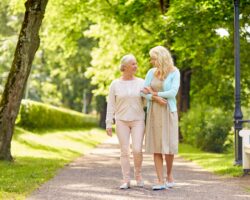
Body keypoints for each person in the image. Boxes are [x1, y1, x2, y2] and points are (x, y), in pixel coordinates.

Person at [141, 46, 180, 190]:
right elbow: (143, 92)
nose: (151, 61)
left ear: (161, 58)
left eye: (153, 58)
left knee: (169, 146)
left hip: (169, 111)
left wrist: (154, 93)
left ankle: (169, 175)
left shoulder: (175, 72)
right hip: (154, 112)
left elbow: (172, 93)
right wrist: (155, 98)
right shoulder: (151, 73)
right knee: (156, 146)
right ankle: (160, 180)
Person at [106, 54, 145, 189]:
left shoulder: (141, 82)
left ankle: (138, 175)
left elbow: (146, 101)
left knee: (137, 149)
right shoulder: (115, 84)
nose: (136, 66)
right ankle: (126, 179)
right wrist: (108, 123)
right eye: (133, 64)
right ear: (125, 67)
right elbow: (111, 104)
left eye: (136, 63)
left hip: (138, 120)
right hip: (121, 120)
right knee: (124, 150)